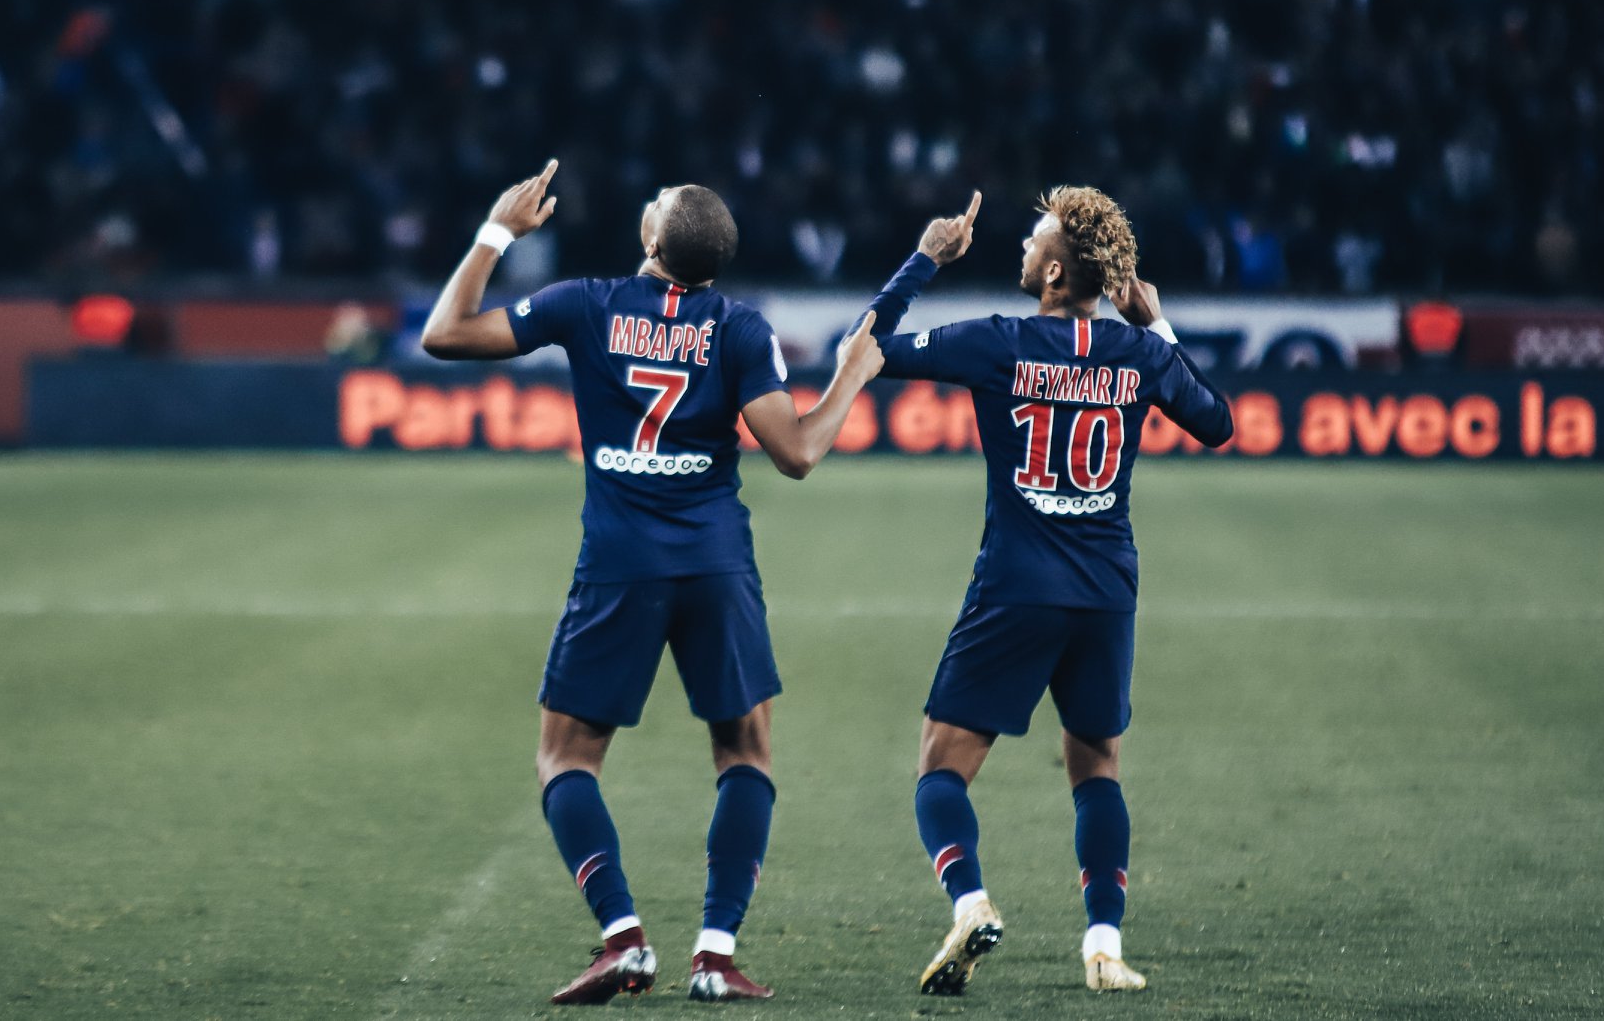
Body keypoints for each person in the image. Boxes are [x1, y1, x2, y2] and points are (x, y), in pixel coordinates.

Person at [421, 160, 886, 1004]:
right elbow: (797, 453)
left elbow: (444, 333)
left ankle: (623, 938)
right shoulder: (740, 329)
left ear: (650, 238)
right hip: (715, 564)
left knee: (566, 756)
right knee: (744, 753)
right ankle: (715, 956)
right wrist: (851, 371)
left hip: (619, 565)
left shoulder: (585, 303)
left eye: (658, 203)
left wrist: (497, 230)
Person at [859, 186, 1234, 995]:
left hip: (1016, 585)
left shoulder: (998, 342)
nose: (1023, 250)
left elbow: (869, 347)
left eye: (1034, 241)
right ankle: (1103, 948)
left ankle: (970, 903)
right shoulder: (1138, 354)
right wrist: (1156, 325)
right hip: (1105, 591)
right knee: (1096, 768)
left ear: (1056, 273)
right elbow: (1216, 422)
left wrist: (924, 259)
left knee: (940, 766)